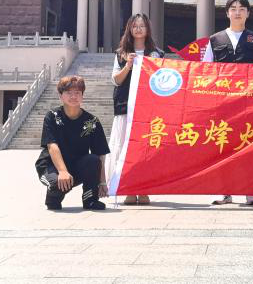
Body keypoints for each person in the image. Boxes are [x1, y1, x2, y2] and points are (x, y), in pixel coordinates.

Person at [203, 0, 253, 206]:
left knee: (250, 146)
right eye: (233, 8)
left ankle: (251, 190)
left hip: (250, 104)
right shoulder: (215, 40)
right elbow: (206, 71)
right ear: (227, 13)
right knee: (223, 146)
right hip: (222, 105)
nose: (237, 12)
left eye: (242, 9)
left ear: (248, 13)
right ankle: (224, 191)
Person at [105, 14, 164, 205]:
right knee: (125, 148)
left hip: (148, 109)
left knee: (145, 150)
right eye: (135, 26)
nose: (138, 29)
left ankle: (144, 189)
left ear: (148, 29)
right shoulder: (121, 53)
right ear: (129, 29)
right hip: (125, 107)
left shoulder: (157, 54)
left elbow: (162, 81)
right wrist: (128, 66)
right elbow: (116, 80)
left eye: (142, 26)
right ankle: (128, 188)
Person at [35, 76, 110, 211]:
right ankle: (52, 199)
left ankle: (90, 200)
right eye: (69, 93)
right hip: (51, 165)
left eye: (77, 93)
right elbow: (52, 146)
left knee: (92, 160)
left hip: (76, 165)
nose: (73, 96)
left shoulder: (92, 121)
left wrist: (102, 181)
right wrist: (63, 171)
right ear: (60, 96)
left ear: (82, 95)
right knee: (57, 183)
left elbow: (100, 154)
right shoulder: (52, 116)